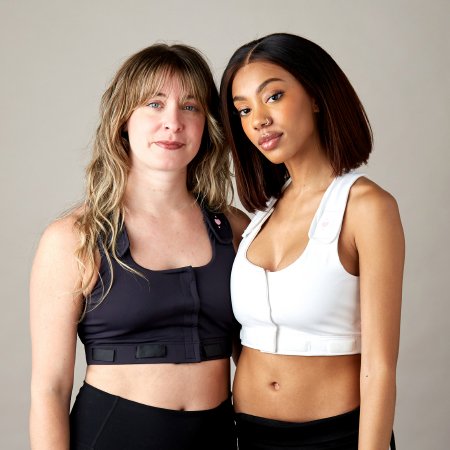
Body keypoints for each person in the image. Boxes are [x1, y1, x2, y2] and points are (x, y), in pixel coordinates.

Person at [30, 43, 248, 450]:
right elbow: (50, 389)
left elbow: (259, 358)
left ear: (207, 124)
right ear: (123, 120)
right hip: (112, 436)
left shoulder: (234, 229)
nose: (173, 123)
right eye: (154, 104)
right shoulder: (74, 237)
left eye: (190, 107)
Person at [220, 33, 404, 450]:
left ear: (317, 97)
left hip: (335, 436)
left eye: (274, 96)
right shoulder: (260, 217)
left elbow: (379, 367)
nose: (258, 120)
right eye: (244, 109)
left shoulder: (367, 207)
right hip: (249, 434)